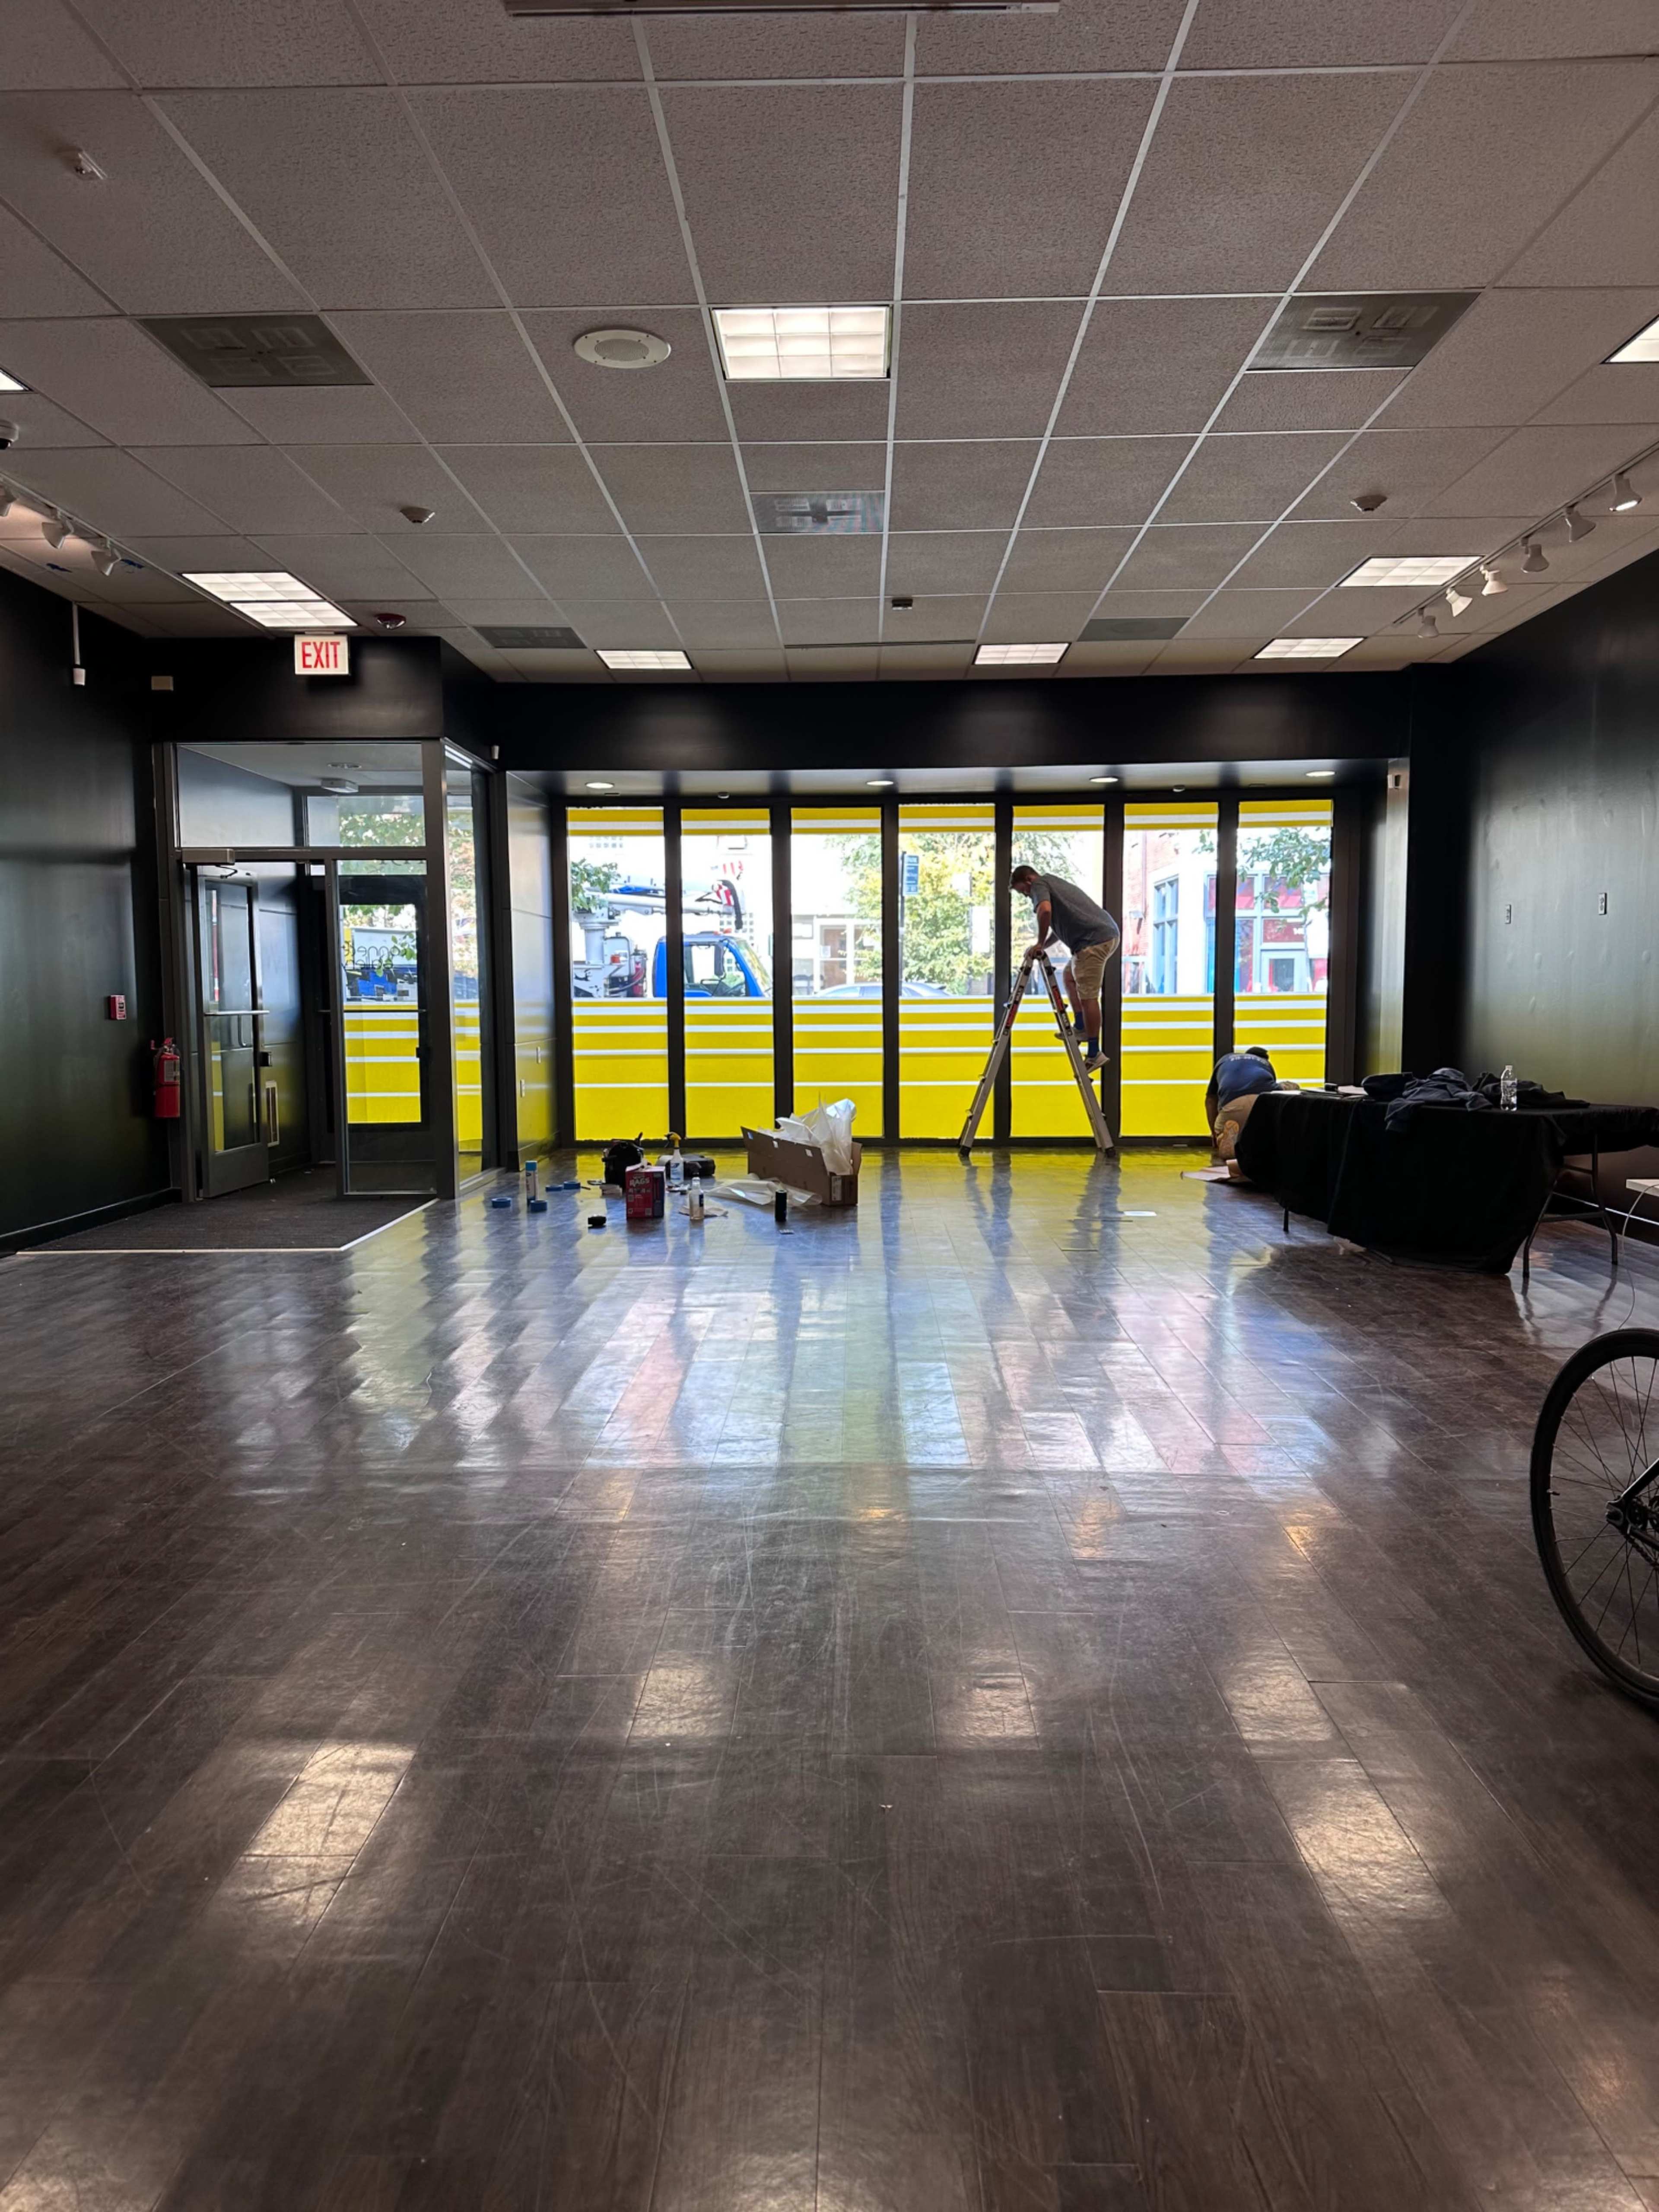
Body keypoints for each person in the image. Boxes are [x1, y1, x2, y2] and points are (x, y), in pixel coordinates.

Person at [1009, 864, 1120, 1072]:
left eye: (1023, 891)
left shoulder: (1039, 884)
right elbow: (1060, 929)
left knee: (1088, 996)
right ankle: (1081, 1027)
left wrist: (1039, 943)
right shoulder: (1054, 884)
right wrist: (1044, 944)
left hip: (1093, 941)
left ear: (1028, 880)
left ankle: (1095, 1053)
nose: (1027, 896)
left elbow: (1045, 911)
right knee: (1070, 977)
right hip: (1101, 936)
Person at [1206, 1045, 1276, 1152]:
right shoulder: (1266, 1064)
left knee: (1227, 1134)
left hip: (1233, 1104)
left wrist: (1215, 1134)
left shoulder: (1225, 1060)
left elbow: (1211, 1100)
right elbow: (1275, 1095)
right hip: (1261, 1102)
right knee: (1261, 1136)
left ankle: (1226, 1140)